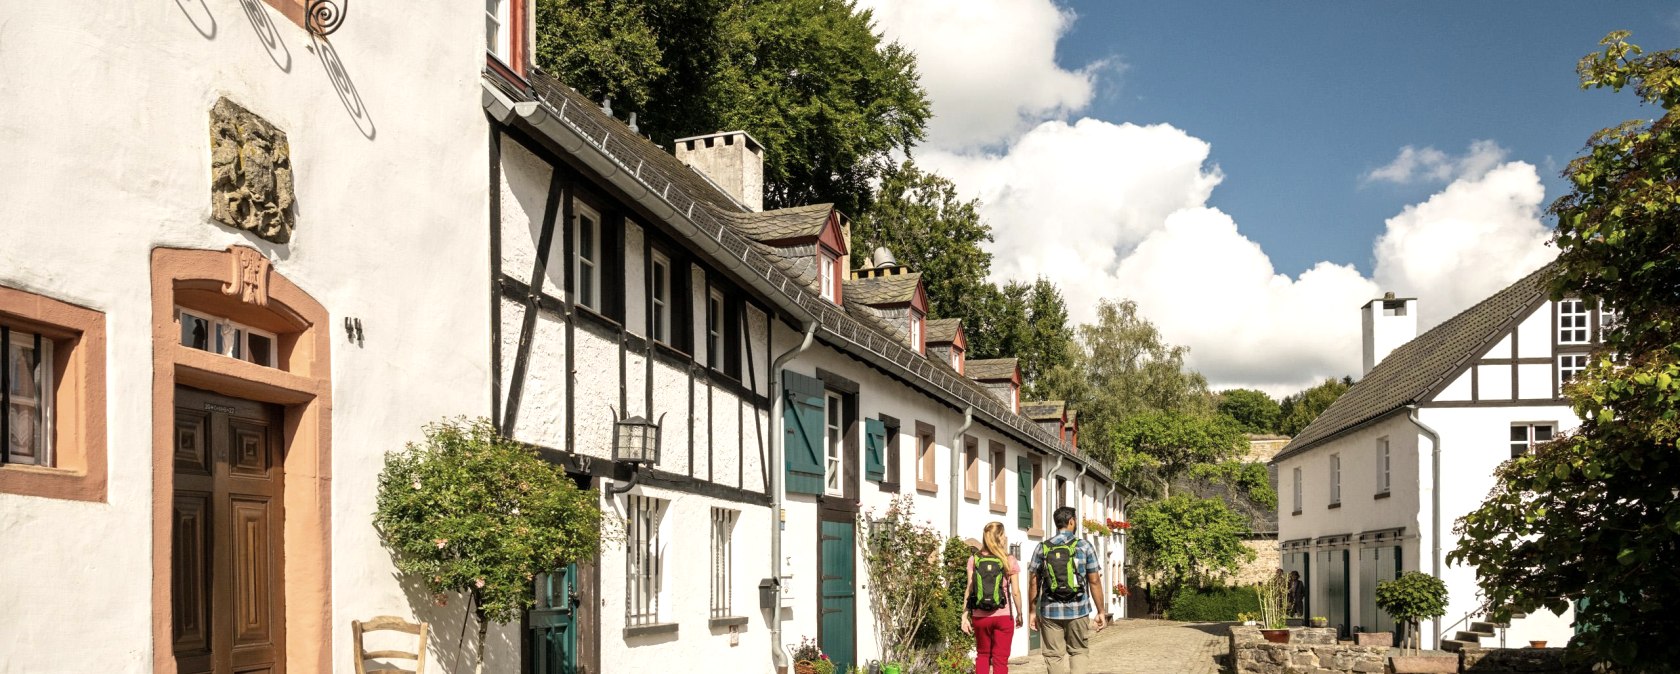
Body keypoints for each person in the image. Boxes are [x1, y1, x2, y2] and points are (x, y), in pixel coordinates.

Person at [1028, 506, 1107, 674]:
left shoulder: (1042, 548)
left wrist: (1032, 612)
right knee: (1078, 651)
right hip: (1078, 610)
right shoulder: (1085, 546)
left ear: (1057, 524)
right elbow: (1094, 581)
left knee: (1053, 656)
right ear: (1071, 521)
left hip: (1050, 611)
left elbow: (1034, 582)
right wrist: (1101, 611)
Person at [960, 522, 1025, 674]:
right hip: (1003, 615)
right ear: (999, 537)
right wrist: (1019, 613)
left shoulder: (974, 559)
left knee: (982, 655)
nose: (1005, 538)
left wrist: (964, 616)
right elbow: (1015, 592)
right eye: (1003, 535)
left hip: (980, 616)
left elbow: (969, 588)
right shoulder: (1009, 560)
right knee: (1000, 660)